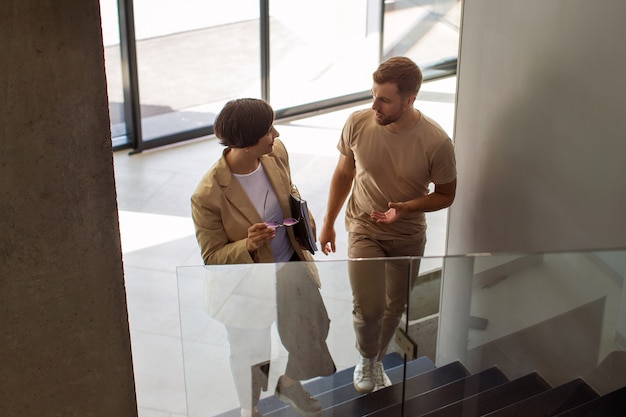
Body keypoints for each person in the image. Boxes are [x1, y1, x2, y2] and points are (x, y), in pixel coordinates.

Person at [319, 56, 457, 394]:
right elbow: (343, 173)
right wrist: (329, 223)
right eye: (373, 95)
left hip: (407, 236)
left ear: (410, 99)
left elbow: (446, 195)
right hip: (364, 228)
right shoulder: (357, 123)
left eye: (384, 99)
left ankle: (375, 358)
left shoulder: (437, 142)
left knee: (396, 306)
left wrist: (406, 208)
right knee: (369, 308)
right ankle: (367, 358)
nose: (374, 106)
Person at [191, 98, 335, 417]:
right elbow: (212, 256)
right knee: (251, 354)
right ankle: (250, 408)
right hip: (246, 286)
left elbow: (288, 187)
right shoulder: (208, 195)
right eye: (269, 130)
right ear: (246, 142)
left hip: (289, 269)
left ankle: (289, 382)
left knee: (313, 330)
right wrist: (248, 244)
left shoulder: (275, 154)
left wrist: (303, 213)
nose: (277, 134)